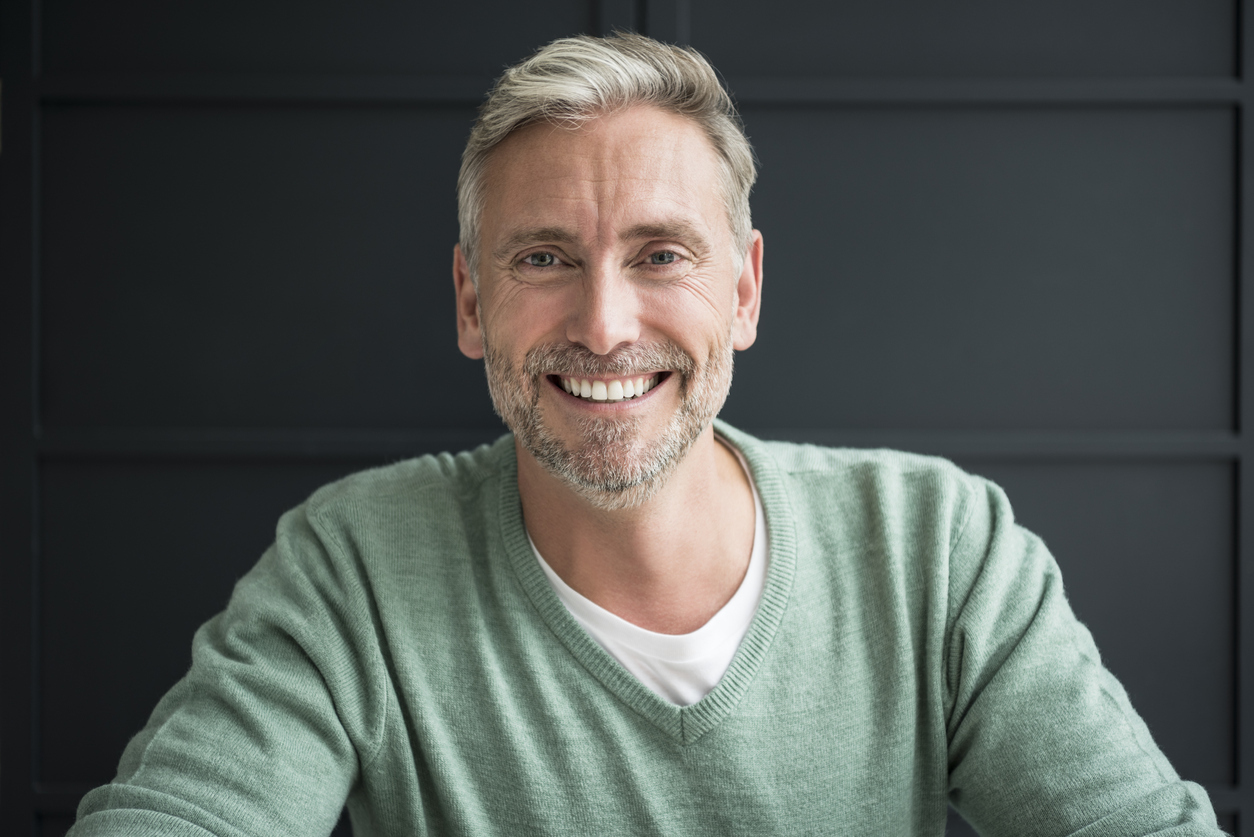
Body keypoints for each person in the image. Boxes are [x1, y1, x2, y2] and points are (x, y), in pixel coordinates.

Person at [69, 33, 1223, 836]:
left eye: (661, 254)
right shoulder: (352, 569)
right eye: (543, 259)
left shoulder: (940, 549)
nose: (604, 324)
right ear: (472, 303)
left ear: (746, 291)